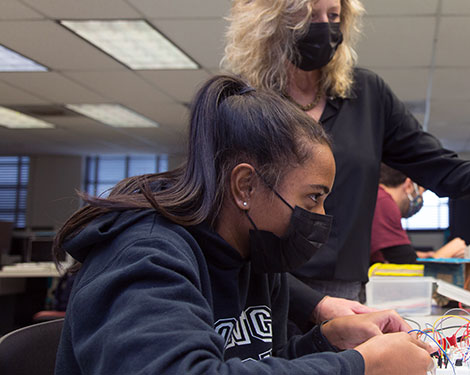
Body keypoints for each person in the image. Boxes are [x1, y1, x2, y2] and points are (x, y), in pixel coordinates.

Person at [52, 75, 435, 375]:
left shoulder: (254, 255)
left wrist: (326, 340)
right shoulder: (143, 255)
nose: (319, 217)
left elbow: (255, 362)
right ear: (245, 186)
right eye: (312, 198)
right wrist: (362, 366)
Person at [223, 0, 470, 305]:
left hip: (344, 288)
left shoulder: (366, 95)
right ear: (272, 22)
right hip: (261, 286)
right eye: (308, 14)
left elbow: (439, 168)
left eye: (333, 16)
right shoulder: (245, 102)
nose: (324, 26)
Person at [371, 164, 465, 264]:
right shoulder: (382, 202)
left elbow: (393, 255)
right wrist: (442, 255)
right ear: (409, 185)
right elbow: (408, 266)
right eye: (421, 192)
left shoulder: (375, 196)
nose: (420, 198)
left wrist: (427, 256)